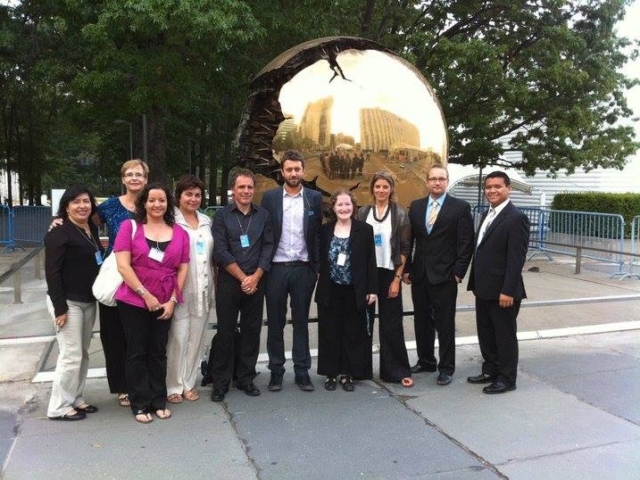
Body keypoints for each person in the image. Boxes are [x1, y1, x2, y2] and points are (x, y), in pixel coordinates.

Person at [114, 183, 190, 423]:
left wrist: (173, 300)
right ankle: (140, 403)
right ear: (143, 203)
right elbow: (123, 265)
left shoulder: (179, 232)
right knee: (136, 351)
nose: (157, 205)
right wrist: (145, 294)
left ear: (168, 204)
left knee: (158, 352)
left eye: (162, 200)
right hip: (133, 300)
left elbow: (183, 268)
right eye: (152, 200)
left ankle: (159, 400)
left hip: (166, 301)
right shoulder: (130, 227)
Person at [404, 164, 474, 386]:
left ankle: (446, 367)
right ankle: (426, 360)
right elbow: (409, 241)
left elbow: (466, 243)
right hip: (420, 275)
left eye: (441, 179)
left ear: (447, 181)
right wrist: (407, 270)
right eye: (433, 179)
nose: (437, 182)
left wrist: (458, 273)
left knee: (445, 323)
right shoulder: (415, 207)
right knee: (421, 321)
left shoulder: (460, 208)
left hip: (445, 276)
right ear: (427, 182)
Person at [210, 169, 274, 402]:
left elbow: (268, 247)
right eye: (241, 187)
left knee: (251, 331)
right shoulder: (222, 216)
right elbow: (220, 251)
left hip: (256, 283)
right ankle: (220, 382)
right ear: (233, 190)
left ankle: (246, 378)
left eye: (249, 187)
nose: (246, 191)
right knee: (225, 331)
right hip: (229, 282)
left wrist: (255, 277)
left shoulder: (263, 215)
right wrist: (242, 278)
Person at [261, 150, 323, 392]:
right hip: (276, 268)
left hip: (303, 269)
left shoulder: (314, 198)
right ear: (282, 172)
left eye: (297, 169)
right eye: (289, 169)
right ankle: (276, 371)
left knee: (301, 322)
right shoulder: (270, 198)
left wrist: (315, 268)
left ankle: (302, 371)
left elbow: (317, 234)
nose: (294, 173)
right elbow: (266, 233)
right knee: (275, 322)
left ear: (303, 171)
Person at [467, 171, 530, 394]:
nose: (492, 190)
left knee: (504, 336)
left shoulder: (516, 218)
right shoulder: (487, 214)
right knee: (486, 333)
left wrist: (508, 290)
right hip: (484, 288)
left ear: (508, 188)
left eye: (497, 186)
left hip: (504, 292)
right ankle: (490, 370)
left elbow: (516, 258)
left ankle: (506, 378)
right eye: (488, 187)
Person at [45, 186, 104, 421]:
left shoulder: (91, 228)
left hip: (88, 300)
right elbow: (52, 272)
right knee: (70, 355)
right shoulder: (59, 232)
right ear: (66, 206)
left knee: (83, 353)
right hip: (68, 302)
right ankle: (58, 407)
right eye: (76, 202)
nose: (82, 206)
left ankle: (76, 398)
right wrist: (60, 307)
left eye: (86, 201)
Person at [97, 159, 150, 407]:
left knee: (140, 335)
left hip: (148, 278)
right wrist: (59, 220)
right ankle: (122, 386)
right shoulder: (110, 207)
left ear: (146, 179)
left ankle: (142, 380)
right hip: (116, 278)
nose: (134, 178)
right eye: (129, 174)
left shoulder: (154, 204)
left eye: (138, 174)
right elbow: (84, 219)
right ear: (123, 179)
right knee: (114, 334)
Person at [315, 189, 377, 392]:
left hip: (354, 290)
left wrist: (372, 289)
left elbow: (370, 262)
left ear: (354, 206)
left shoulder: (364, 230)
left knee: (352, 333)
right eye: (340, 205)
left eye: (347, 204)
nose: (344, 208)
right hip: (330, 289)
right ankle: (330, 374)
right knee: (329, 333)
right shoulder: (324, 231)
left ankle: (347, 374)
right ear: (333, 207)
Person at [356, 172, 413, 386]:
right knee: (364, 322)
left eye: (385, 187)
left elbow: (406, 247)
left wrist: (397, 278)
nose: (381, 190)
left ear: (391, 189)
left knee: (391, 324)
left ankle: (396, 371)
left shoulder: (399, 214)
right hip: (368, 274)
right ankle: (360, 370)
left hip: (390, 273)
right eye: (377, 186)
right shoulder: (363, 212)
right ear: (372, 189)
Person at [165, 175, 214, 404]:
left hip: (205, 288)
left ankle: (188, 383)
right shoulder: (170, 222)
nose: (193, 199)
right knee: (178, 338)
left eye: (197, 195)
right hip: (180, 289)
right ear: (179, 196)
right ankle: (173, 385)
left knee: (197, 338)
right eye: (188, 194)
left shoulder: (206, 220)